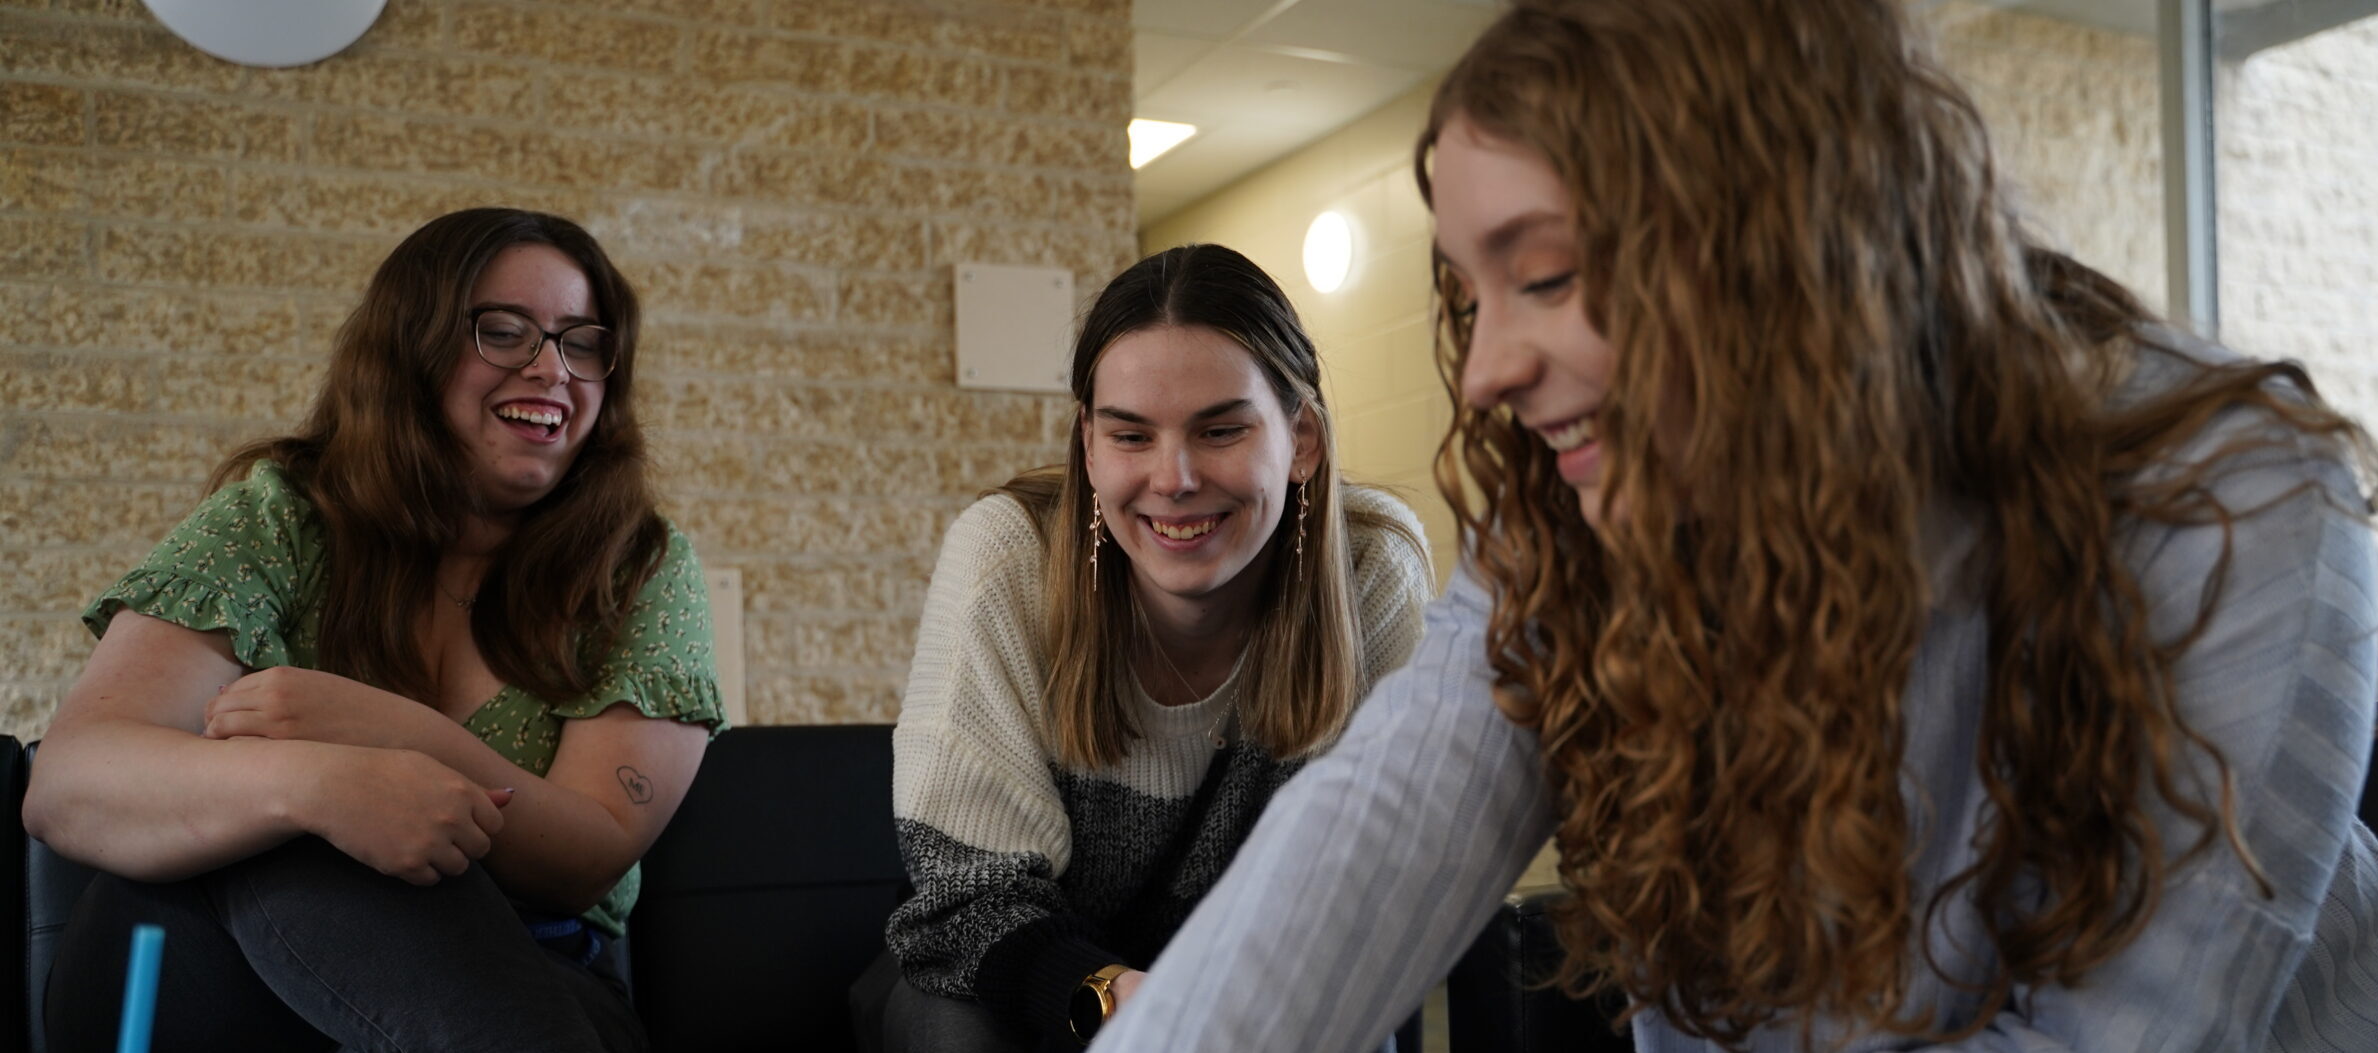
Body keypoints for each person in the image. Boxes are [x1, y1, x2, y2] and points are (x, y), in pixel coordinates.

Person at [1090, 0, 2378, 1053]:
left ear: (1784, 251)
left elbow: (2112, 1033)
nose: (1487, 373)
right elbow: (1381, 827)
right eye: (1473, 291)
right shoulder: (1588, 503)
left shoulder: (2225, 497)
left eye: (1551, 275)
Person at [27, 207, 724, 1053]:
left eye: (582, 343)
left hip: (530, 980)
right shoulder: (281, 517)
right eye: (503, 332)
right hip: (202, 978)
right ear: (410, 348)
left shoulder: (638, 563)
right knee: (289, 835)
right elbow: (69, 783)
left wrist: (390, 736)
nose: (552, 368)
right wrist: (318, 785)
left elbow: (591, 850)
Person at [879, 244, 1433, 1052]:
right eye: (1131, 435)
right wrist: (1129, 1002)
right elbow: (966, 899)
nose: (1173, 478)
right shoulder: (1007, 557)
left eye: (1220, 429)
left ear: (1302, 437)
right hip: (1020, 986)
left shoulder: (1372, 569)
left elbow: (1375, 886)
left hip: (1256, 991)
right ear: (1089, 445)